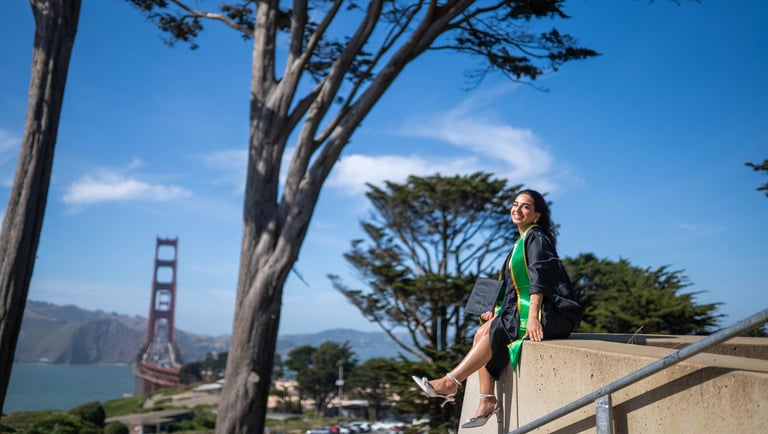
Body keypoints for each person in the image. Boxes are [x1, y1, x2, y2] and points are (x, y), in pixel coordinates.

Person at [412, 189, 582, 429]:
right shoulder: (520, 242)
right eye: (515, 204)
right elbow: (514, 289)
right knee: (482, 331)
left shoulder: (536, 238)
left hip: (549, 315)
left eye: (525, 206)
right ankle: (487, 400)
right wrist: (497, 309)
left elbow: (539, 278)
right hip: (527, 310)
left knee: (495, 329)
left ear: (536, 215)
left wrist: (533, 317)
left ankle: (451, 382)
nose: (517, 209)